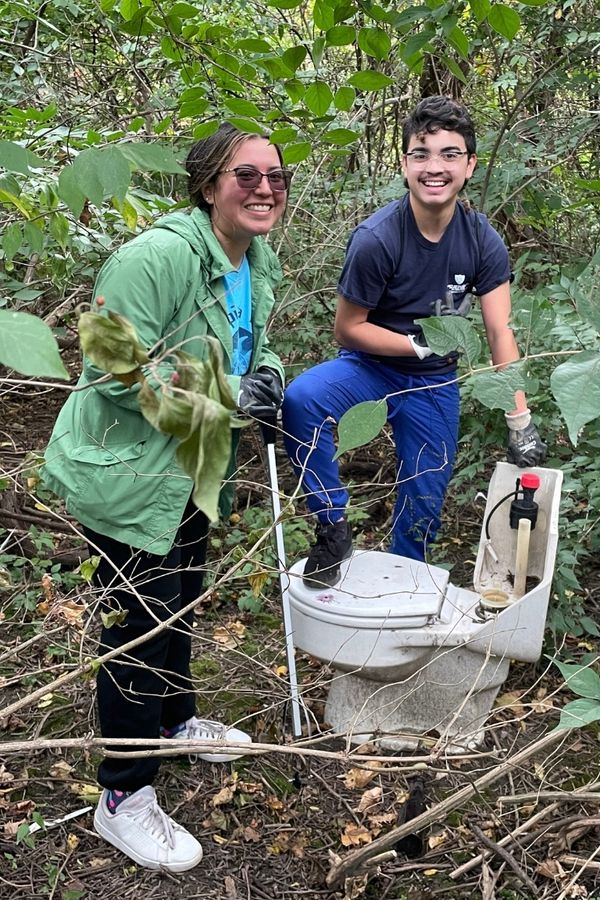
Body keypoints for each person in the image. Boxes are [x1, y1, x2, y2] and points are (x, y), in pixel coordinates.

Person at [43, 124, 290, 871]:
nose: (264, 189)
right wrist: (222, 395)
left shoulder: (255, 259)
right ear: (209, 183)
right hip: (128, 473)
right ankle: (122, 795)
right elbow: (112, 367)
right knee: (139, 630)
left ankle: (177, 722)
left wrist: (268, 375)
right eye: (245, 176)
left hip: (192, 463)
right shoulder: (154, 256)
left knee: (181, 594)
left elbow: (251, 345)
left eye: (276, 177)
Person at [282, 95, 546, 589]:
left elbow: (497, 331)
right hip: (369, 364)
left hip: (433, 384)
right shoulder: (378, 238)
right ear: (405, 164)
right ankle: (331, 525)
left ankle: (404, 595)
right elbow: (348, 328)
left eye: (450, 154)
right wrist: (417, 346)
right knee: (301, 398)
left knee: (423, 502)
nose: (434, 167)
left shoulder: (481, 240)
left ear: (469, 165)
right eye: (421, 154)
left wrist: (520, 419)